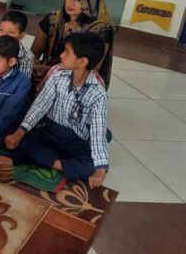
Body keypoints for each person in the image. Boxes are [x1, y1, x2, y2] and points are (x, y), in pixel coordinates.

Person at [6, 32, 109, 188]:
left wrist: (100, 170)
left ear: (82, 61)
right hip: (49, 130)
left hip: (74, 137)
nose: (61, 55)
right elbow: (39, 106)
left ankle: (50, 161)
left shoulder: (98, 93)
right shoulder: (57, 76)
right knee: (23, 143)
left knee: (92, 166)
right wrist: (19, 133)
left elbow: (98, 131)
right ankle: (63, 163)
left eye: (66, 52)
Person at [31, 0, 115, 88]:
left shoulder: (100, 30)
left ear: (91, 2)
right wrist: (35, 67)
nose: (71, 3)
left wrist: (51, 71)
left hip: (76, 82)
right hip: (42, 74)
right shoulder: (53, 19)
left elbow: (89, 70)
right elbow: (33, 54)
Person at [0, 10, 34, 79]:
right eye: (1, 30)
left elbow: (22, 84)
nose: (4, 35)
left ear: (22, 35)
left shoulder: (26, 57)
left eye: (11, 32)